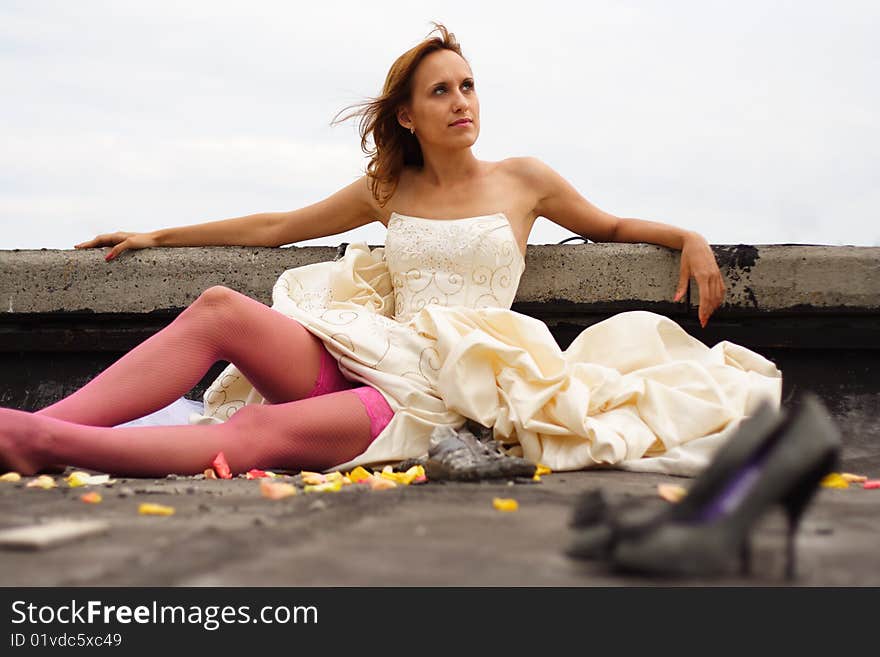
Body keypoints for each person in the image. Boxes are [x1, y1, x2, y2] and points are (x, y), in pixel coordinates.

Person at [0, 22, 781, 479]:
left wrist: (688, 236)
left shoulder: (524, 181)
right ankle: (33, 429)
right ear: (407, 116)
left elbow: (607, 226)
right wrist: (157, 233)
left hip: (437, 384)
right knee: (217, 308)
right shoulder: (389, 186)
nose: (461, 102)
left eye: (468, 86)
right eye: (441, 91)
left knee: (255, 441)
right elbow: (277, 227)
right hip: (362, 348)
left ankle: (44, 442)